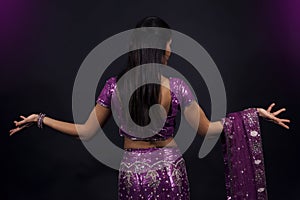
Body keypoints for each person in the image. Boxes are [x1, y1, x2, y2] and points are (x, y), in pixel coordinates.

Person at [9, 16, 290, 200]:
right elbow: (209, 129)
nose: (170, 50)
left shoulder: (113, 86)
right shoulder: (177, 87)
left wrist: (41, 120)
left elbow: (86, 130)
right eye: (169, 45)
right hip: (170, 170)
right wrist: (251, 116)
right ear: (161, 48)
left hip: (132, 174)